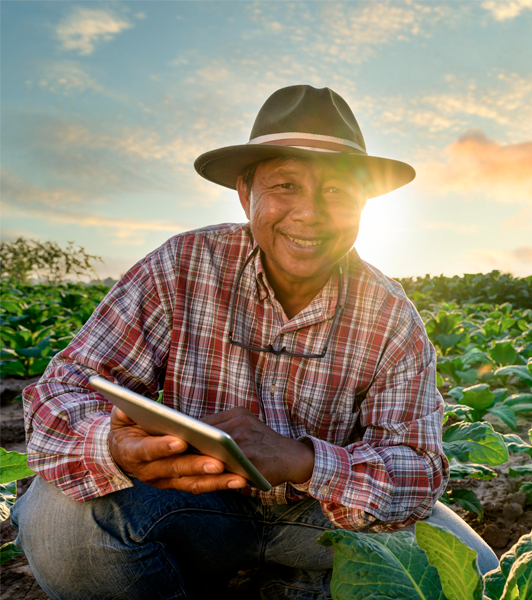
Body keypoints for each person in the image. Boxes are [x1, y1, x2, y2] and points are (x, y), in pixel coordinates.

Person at [11, 85, 499, 599]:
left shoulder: (390, 313)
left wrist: (302, 460)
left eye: (336, 191)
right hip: (191, 503)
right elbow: (60, 393)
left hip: (324, 519)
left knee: (476, 577)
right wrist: (115, 445)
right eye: (285, 184)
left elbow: (418, 470)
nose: (309, 213)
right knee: (57, 522)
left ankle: (298, 580)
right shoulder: (183, 265)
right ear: (246, 194)